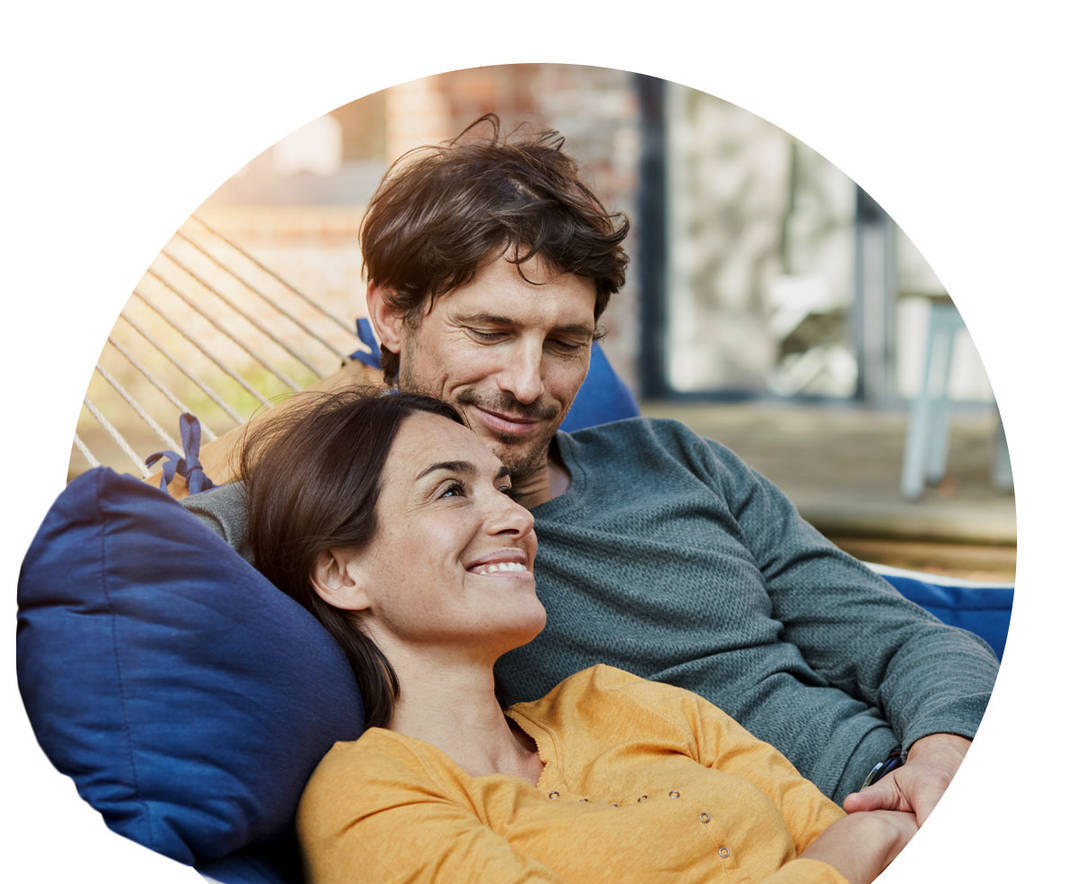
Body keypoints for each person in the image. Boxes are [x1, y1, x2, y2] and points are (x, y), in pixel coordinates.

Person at [184, 115, 999, 819]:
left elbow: (902, 639)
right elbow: (181, 533)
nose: (529, 385)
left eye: (566, 344)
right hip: (789, 848)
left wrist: (940, 759)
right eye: (491, 331)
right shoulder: (380, 526)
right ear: (392, 313)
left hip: (917, 781)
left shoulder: (675, 460)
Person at [241, 387, 918, 884]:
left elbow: (878, 858)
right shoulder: (371, 798)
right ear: (340, 571)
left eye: (503, 488)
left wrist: (855, 853)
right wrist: (840, 867)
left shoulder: (613, 700)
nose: (513, 516)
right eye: (451, 491)